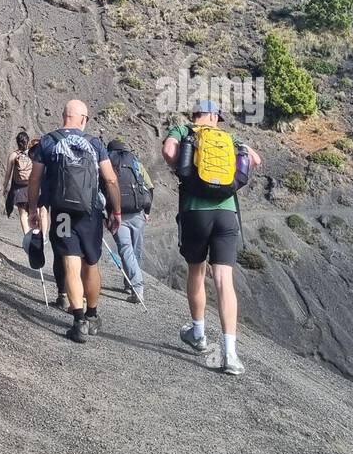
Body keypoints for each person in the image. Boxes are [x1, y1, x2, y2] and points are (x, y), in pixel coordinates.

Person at [161, 99, 262, 376]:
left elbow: (169, 152)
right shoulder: (229, 137)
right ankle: (230, 354)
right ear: (215, 117)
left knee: (196, 270)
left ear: (195, 115)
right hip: (227, 212)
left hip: (195, 211)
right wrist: (228, 183)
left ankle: (198, 334)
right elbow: (255, 160)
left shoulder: (183, 130)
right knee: (223, 279)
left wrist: (187, 174)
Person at [27, 99, 122, 344]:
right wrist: (116, 211)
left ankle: (78, 321)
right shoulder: (94, 144)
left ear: (63, 116)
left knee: (70, 262)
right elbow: (110, 180)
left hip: (62, 212)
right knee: (90, 263)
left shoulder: (48, 141)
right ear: (84, 119)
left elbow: (34, 179)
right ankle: (92, 314)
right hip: (89, 213)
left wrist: (33, 209)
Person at [104, 136, 151, 304]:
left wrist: (106, 212)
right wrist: (147, 210)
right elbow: (148, 186)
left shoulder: (107, 162)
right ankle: (129, 284)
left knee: (126, 249)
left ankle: (137, 287)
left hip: (118, 214)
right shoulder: (135, 162)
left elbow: (103, 186)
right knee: (135, 251)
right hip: (138, 213)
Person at [2, 131, 47, 240]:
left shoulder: (13, 155)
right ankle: (38, 235)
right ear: (27, 141)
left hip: (19, 188)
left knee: (23, 214)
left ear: (17, 142)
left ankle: (27, 237)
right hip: (33, 186)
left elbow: (8, 173)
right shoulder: (33, 153)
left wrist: (5, 187)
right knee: (35, 211)